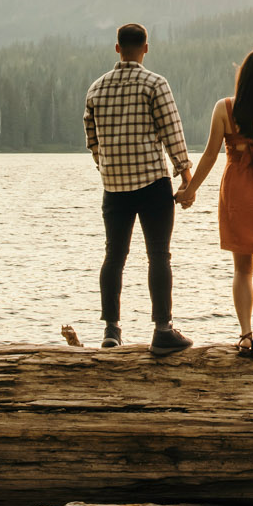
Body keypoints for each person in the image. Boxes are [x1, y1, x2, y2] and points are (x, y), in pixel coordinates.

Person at [83, 23, 194, 353]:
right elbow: (172, 133)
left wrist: (109, 170)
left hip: (114, 188)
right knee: (158, 255)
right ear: (146, 48)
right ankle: (162, 330)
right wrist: (186, 178)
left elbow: (92, 143)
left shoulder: (96, 89)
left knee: (114, 256)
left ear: (117, 48)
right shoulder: (155, 84)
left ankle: (111, 330)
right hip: (152, 183)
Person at [179, 48, 253, 355]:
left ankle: (244, 334)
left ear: (242, 79)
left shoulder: (224, 109)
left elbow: (209, 155)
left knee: (242, 270)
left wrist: (191, 189)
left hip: (237, 192)